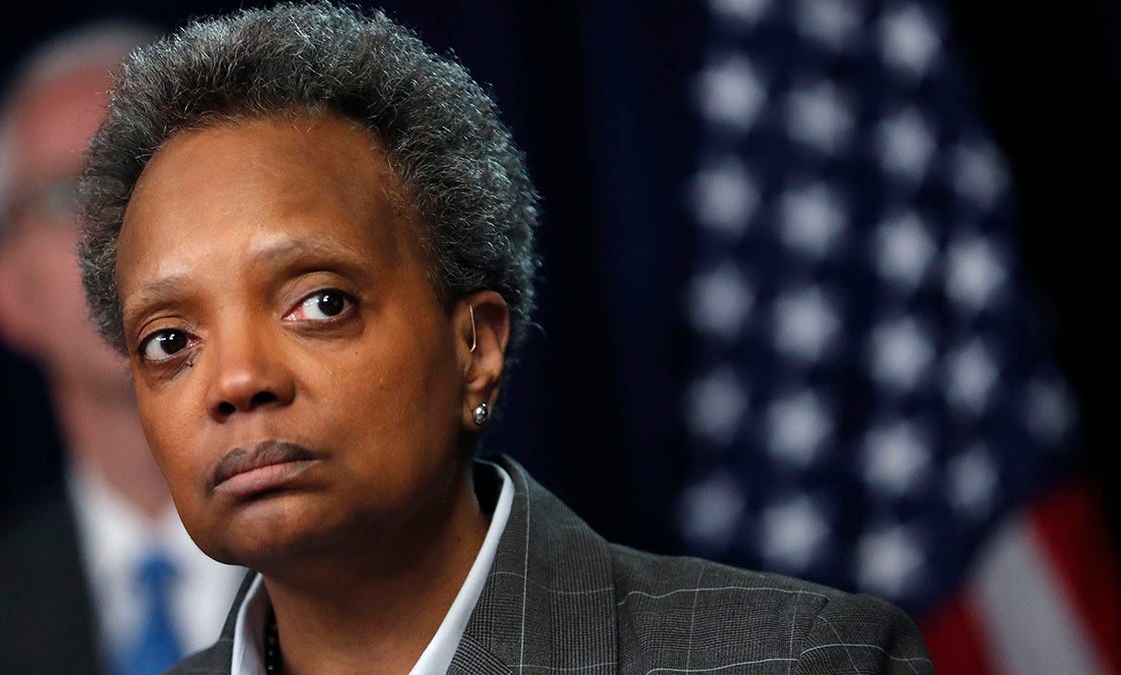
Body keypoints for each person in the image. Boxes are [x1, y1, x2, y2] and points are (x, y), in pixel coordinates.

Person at [76, 2, 934, 673]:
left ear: (475, 344)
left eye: (321, 302)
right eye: (168, 342)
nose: (236, 380)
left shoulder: (808, 661)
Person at [0, 19, 245, 675]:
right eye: (70, 193)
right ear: (4, 293)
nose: (119, 227)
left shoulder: (387, 568)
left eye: (145, 167)